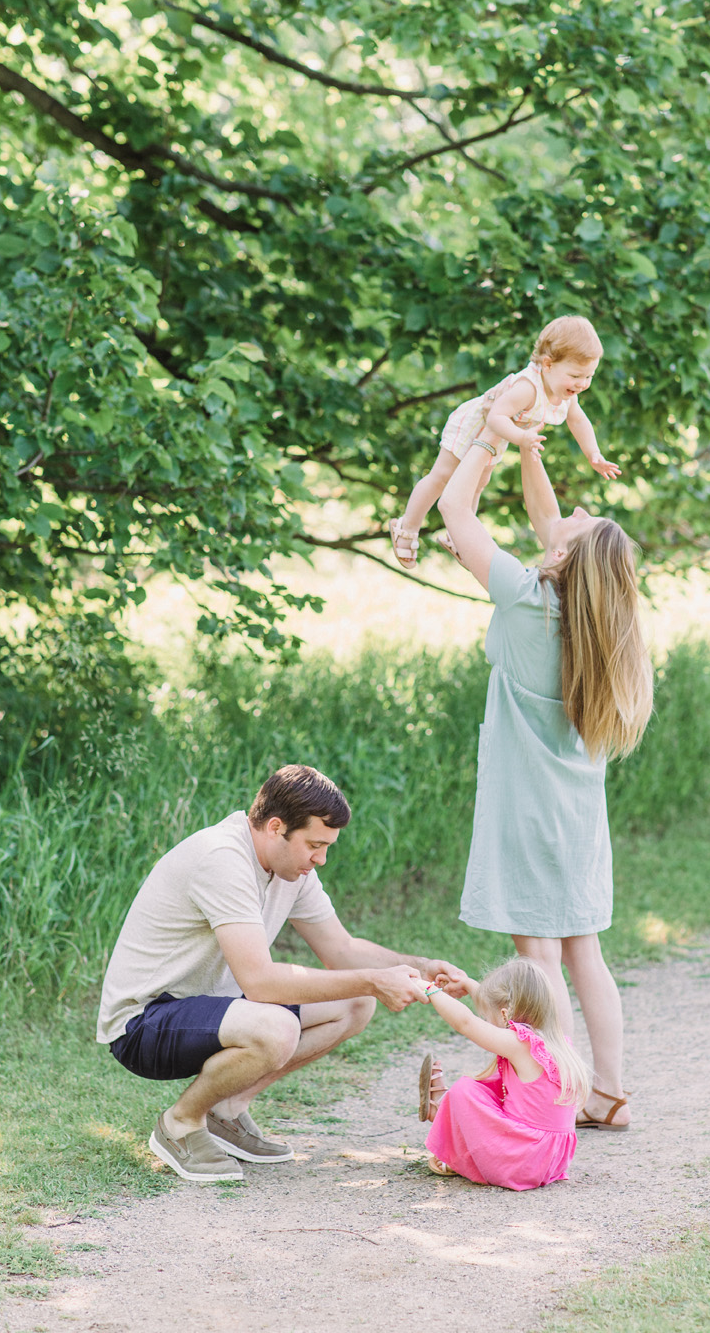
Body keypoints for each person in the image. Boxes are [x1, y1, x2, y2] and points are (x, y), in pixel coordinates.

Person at [97, 764, 465, 1183]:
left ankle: (226, 1111)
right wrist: (373, 979)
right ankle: (180, 1125)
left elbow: (341, 949)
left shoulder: (292, 869)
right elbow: (261, 983)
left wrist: (421, 968)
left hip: (215, 1010)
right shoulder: (222, 858)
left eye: (327, 846)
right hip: (144, 1024)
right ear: (275, 827)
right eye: (314, 844)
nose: (321, 859)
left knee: (355, 1004)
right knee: (278, 1028)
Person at [435, 422, 653, 1131]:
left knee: (538, 959)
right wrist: (532, 451)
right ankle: (609, 1091)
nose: (571, 512)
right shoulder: (600, 626)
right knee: (584, 952)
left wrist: (489, 438)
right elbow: (546, 520)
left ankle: (552, 1090)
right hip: (578, 817)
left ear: (565, 556)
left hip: (527, 813)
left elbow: (454, 512)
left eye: (578, 522)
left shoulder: (528, 598)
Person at [388, 316, 621, 569]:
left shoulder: (565, 394)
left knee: (477, 484)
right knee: (442, 475)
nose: (582, 384)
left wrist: (593, 453)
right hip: (474, 425)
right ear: (548, 364)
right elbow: (495, 415)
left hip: (500, 435)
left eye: (589, 377)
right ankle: (407, 526)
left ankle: (458, 535)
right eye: (576, 375)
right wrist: (522, 437)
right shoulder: (528, 388)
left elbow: (578, 420)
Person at [415, 957, 590, 1189]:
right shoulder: (553, 1043)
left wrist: (430, 990)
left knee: (466, 1090)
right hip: (548, 1161)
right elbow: (494, 1006)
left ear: (506, 1015)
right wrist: (467, 984)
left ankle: (453, 1138)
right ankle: (444, 1114)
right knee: (495, 1083)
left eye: (488, 1018)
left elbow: (466, 1023)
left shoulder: (520, 1044)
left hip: (520, 1162)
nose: (486, 1022)